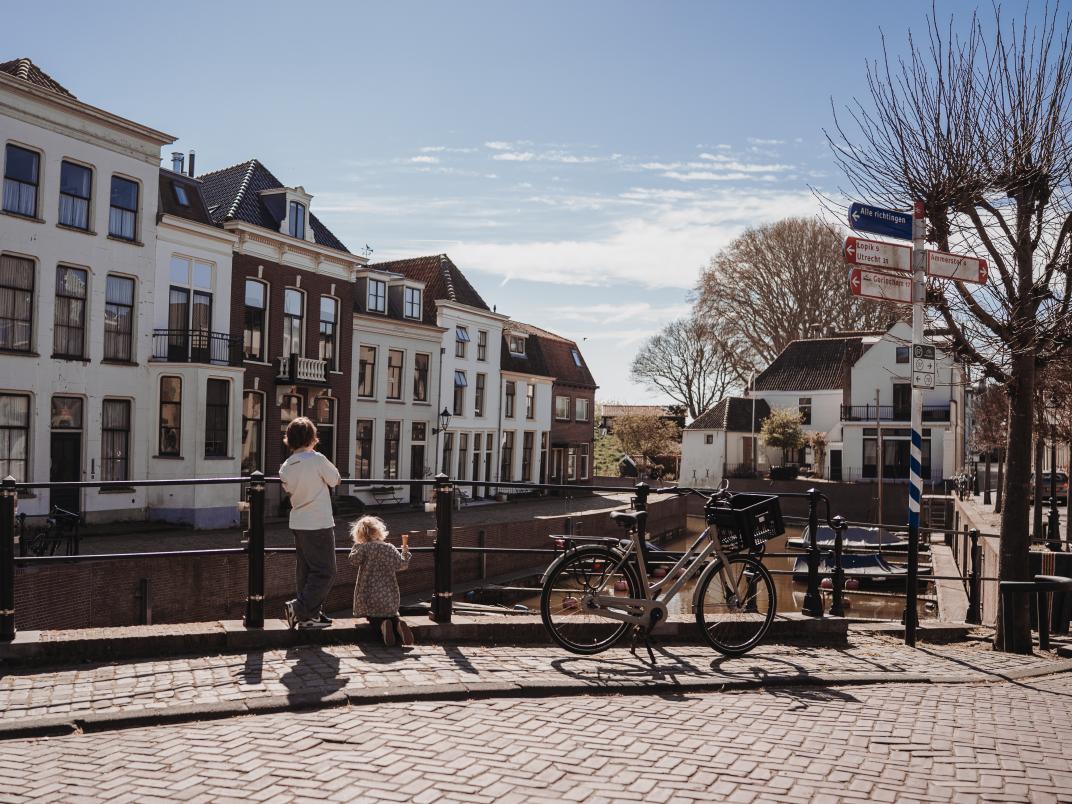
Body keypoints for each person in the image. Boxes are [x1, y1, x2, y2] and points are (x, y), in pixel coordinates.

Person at [280, 416, 341, 630]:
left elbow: (289, 490)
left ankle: (310, 617)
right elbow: (335, 479)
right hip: (319, 522)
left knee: (305, 571)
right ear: (311, 438)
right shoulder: (316, 459)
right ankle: (299, 608)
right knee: (326, 571)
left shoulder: (285, 466)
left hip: (298, 522)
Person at [348, 516, 413, 646]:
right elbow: (402, 564)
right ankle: (399, 625)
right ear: (379, 531)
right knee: (391, 614)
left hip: (369, 591)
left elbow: (353, 560)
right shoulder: (389, 547)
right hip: (389, 591)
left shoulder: (364, 548)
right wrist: (405, 551)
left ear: (360, 534)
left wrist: (357, 546)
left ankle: (382, 625)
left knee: (373, 616)